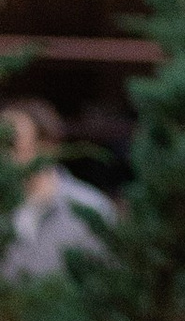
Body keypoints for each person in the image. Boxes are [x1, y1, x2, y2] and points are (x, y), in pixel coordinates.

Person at [3, 100, 112, 286]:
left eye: (12, 147)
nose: (3, 157)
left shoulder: (89, 209)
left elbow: (106, 286)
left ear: (47, 148)